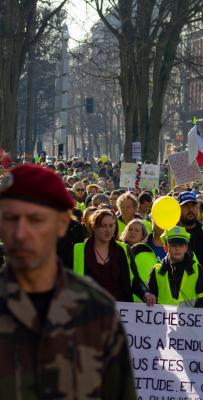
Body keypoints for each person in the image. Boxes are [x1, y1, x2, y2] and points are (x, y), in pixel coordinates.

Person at [0, 164, 137, 399]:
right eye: (10, 218)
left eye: (36, 219)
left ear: (62, 223)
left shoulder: (97, 312)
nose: (21, 233)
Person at [73, 209, 155, 304]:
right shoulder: (78, 249)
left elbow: (134, 279)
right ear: (94, 227)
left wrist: (145, 293)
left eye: (111, 225)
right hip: (89, 311)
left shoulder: (123, 249)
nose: (108, 230)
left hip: (119, 312)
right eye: (103, 226)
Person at [148, 226, 203, 307]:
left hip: (189, 319)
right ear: (165, 248)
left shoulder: (197, 269)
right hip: (163, 319)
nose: (177, 248)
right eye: (173, 245)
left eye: (181, 244)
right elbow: (150, 299)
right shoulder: (156, 271)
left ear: (186, 248)